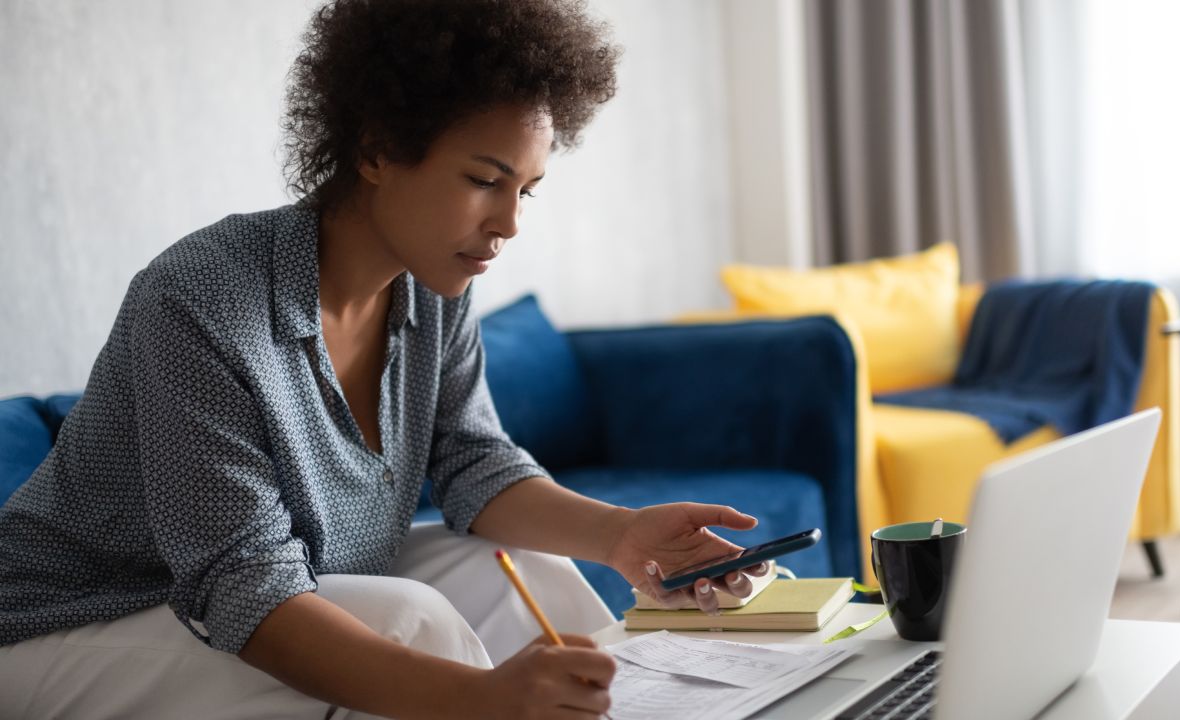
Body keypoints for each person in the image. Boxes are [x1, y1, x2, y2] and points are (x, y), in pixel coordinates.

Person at [0, 1, 770, 718]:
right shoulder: (200, 299)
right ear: (376, 149)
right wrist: (481, 698)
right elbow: (242, 586)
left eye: (527, 190)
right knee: (413, 620)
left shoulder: (436, 280)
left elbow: (473, 464)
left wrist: (623, 536)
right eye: (482, 180)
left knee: (526, 569)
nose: (506, 223)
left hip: (270, 580)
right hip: (70, 620)